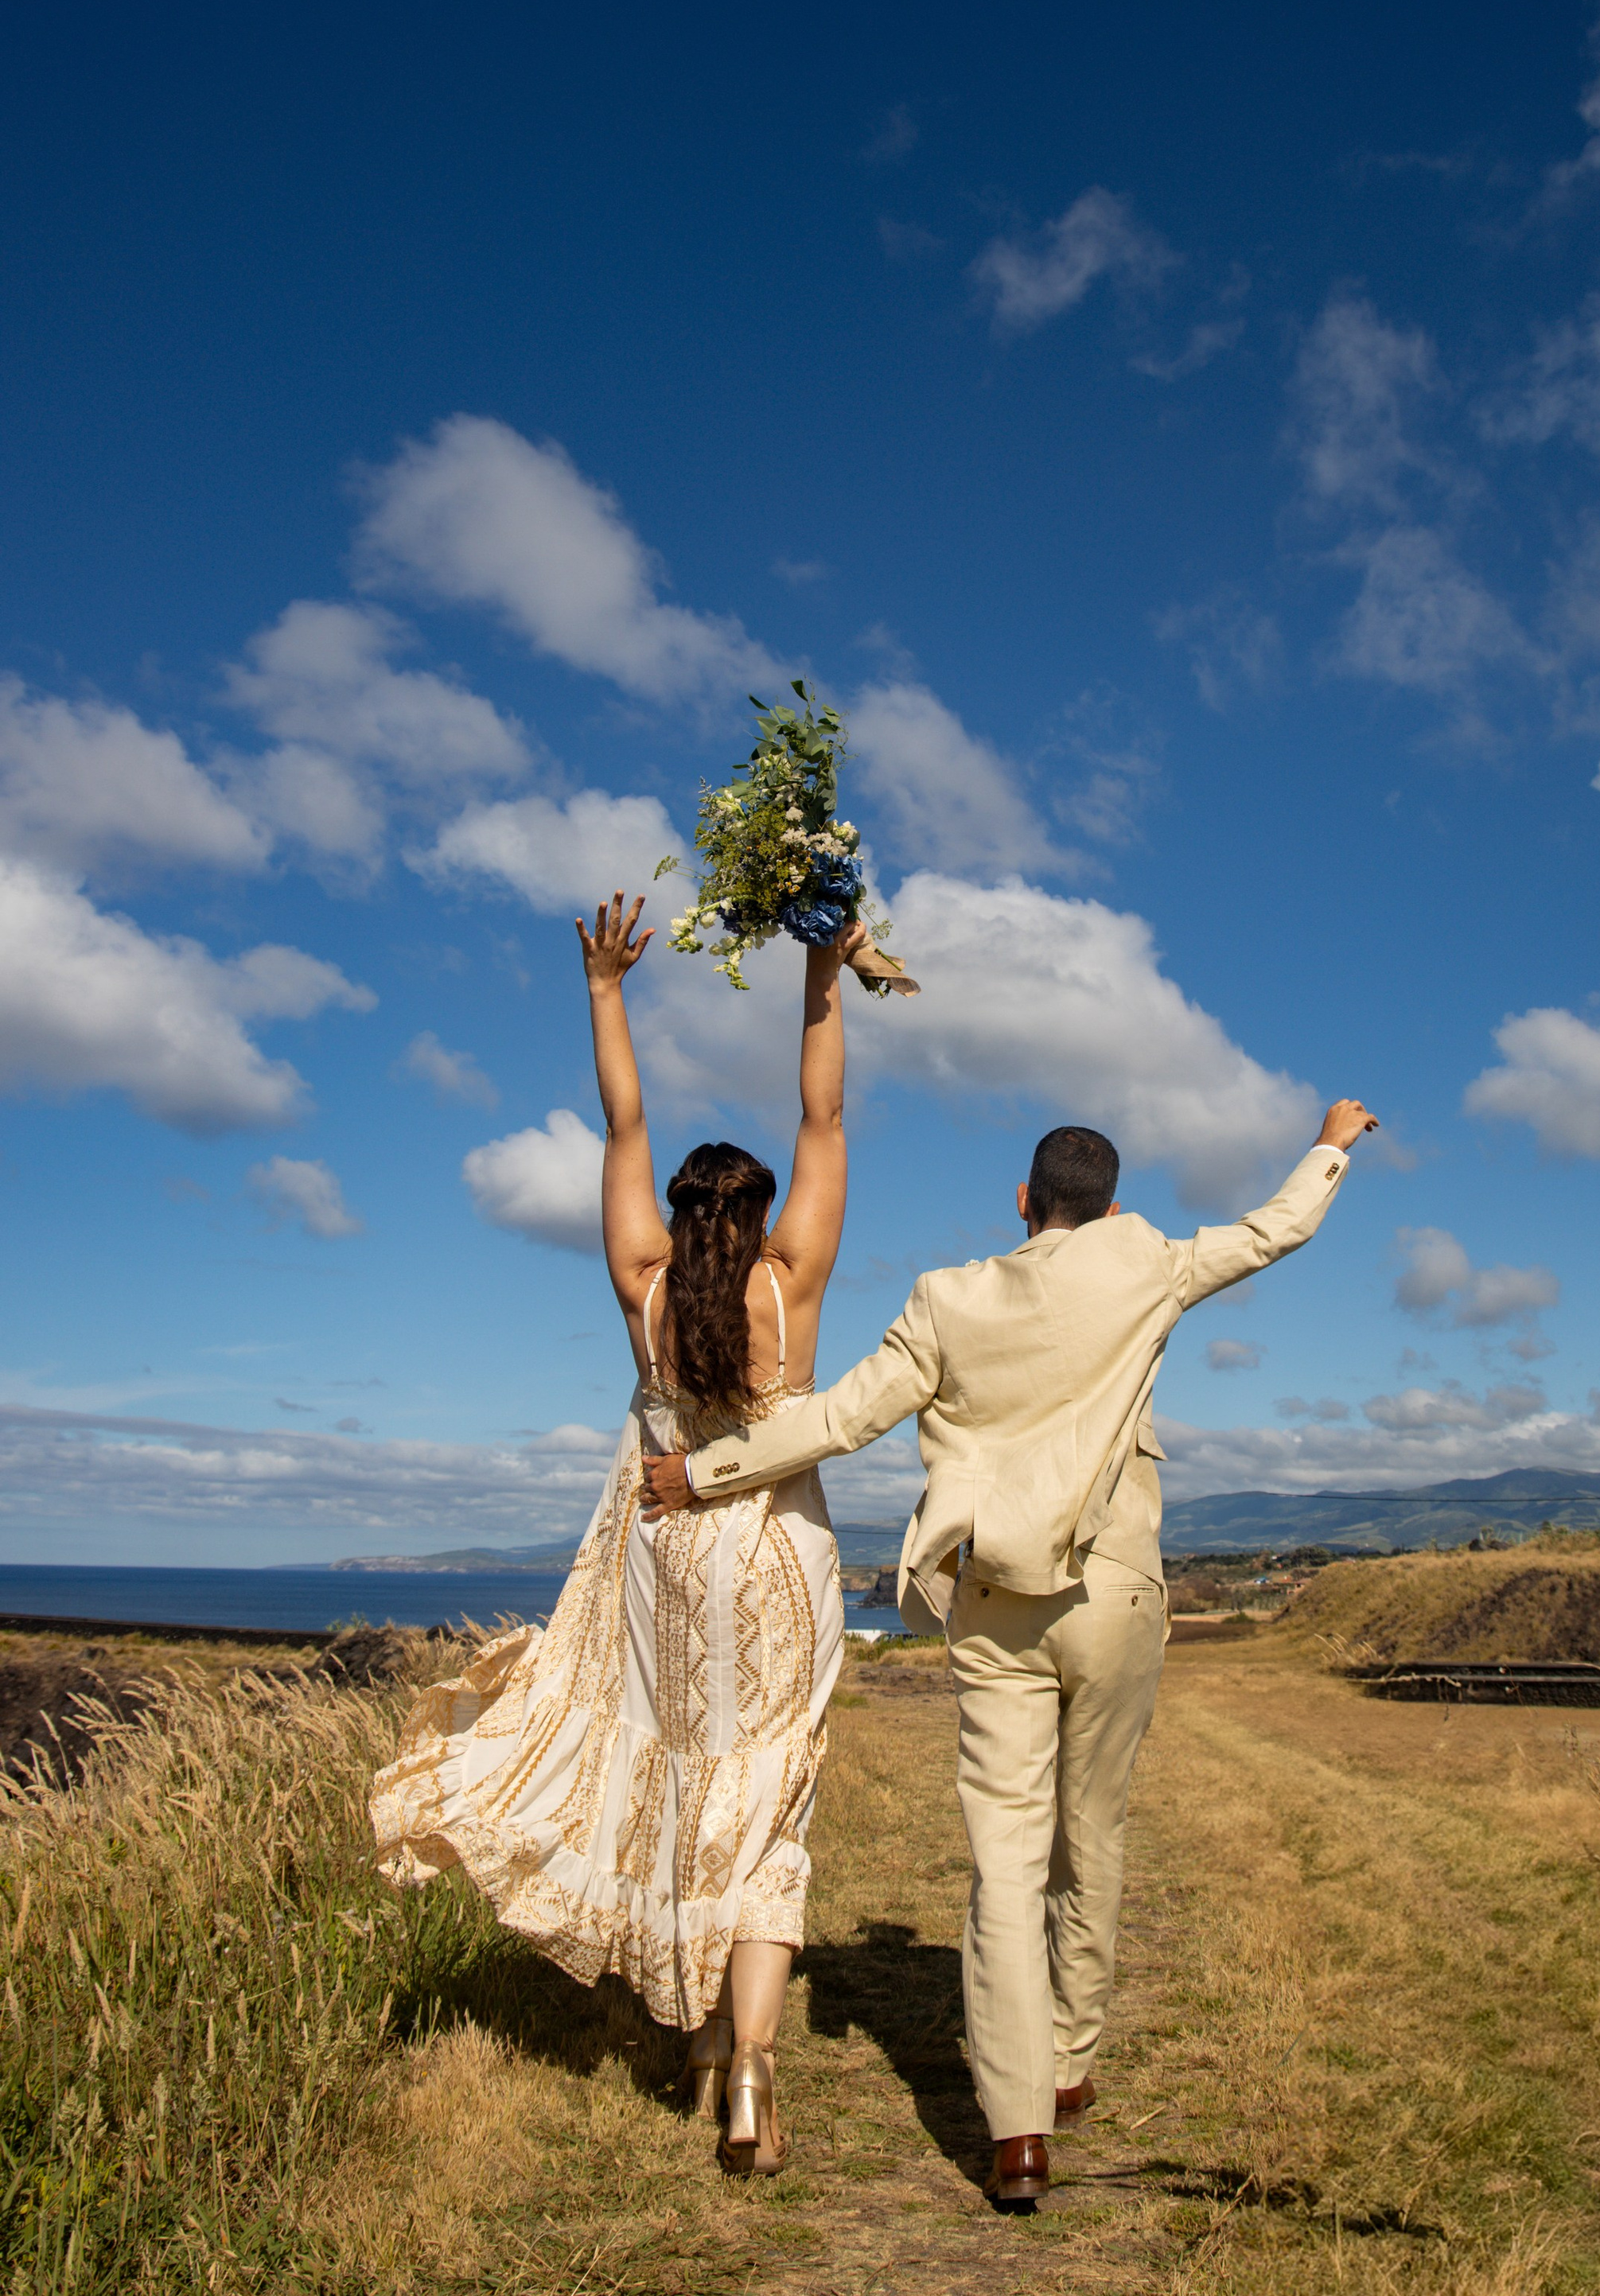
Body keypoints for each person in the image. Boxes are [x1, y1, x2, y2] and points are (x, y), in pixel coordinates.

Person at [642, 1096, 1378, 2206]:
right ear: (1111, 1207)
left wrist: (700, 1474)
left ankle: (1018, 2128)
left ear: (1025, 1204)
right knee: (1095, 1830)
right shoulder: (1148, 1264)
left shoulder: (948, 1301)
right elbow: (1276, 1230)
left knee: (1007, 1858)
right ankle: (1072, 2058)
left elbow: (836, 1420)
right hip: (1116, 1592)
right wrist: (1330, 1142)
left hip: (993, 1603)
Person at [371, 889, 866, 2175]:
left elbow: (623, 1120)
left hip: (659, 1563)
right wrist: (822, 969)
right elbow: (825, 1115)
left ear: (683, 1219)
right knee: (767, 1799)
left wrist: (606, 987)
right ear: (754, 1219)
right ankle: (747, 2061)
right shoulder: (789, 1285)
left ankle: (699, 2033)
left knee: (680, 1775)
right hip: (776, 1561)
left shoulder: (642, 1289)